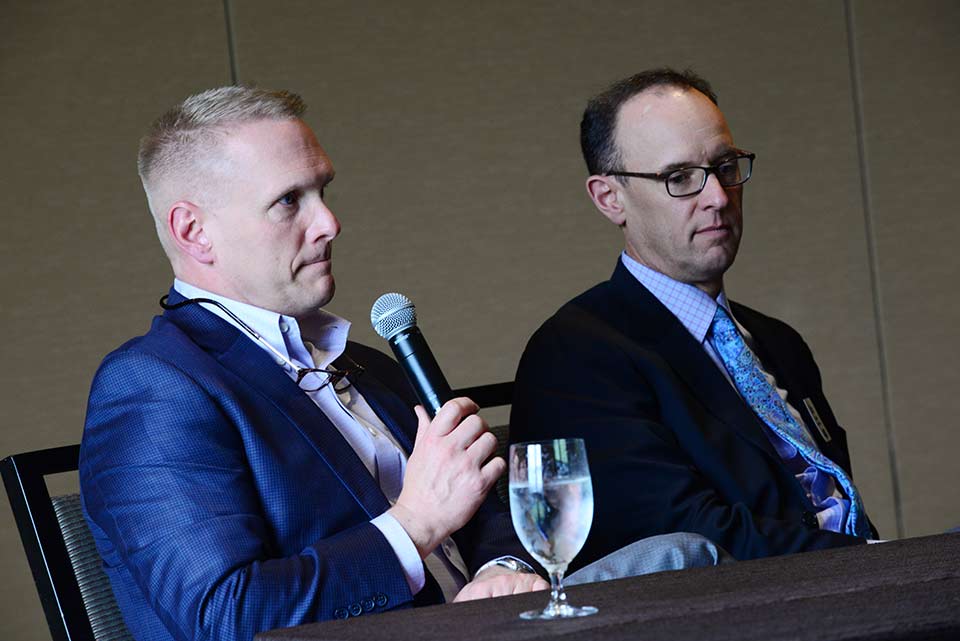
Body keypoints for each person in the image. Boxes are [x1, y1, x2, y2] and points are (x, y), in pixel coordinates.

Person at [79, 86, 549, 641]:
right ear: (193, 231)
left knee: (666, 559)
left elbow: (482, 508)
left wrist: (505, 570)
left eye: (322, 191)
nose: (329, 222)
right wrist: (416, 523)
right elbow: (226, 617)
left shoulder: (368, 361)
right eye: (288, 201)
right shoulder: (153, 387)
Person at [510, 68, 879, 570]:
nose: (719, 197)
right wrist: (881, 561)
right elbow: (693, 539)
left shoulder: (779, 342)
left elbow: (834, 506)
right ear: (609, 198)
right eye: (679, 178)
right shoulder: (575, 356)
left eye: (726, 166)